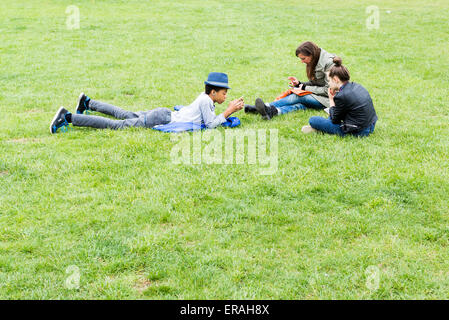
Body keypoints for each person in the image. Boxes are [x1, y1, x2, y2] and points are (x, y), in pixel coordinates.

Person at [50, 72, 244, 134]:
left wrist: (226, 110)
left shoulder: (205, 99)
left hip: (163, 114)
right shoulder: (206, 102)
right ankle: (67, 117)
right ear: (213, 92)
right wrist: (228, 111)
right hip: (163, 118)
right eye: (224, 93)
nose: (225, 97)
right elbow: (210, 125)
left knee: (123, 114)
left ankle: (88, 103)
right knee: (117, 125)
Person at [246, 41, 338, 120]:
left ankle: (264, 107)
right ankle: (273, 111)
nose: (302, 61)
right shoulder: (315, 59)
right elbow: (317, 83)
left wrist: (305, 88)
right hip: (321, 96)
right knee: (300, 105)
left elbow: (329, 91)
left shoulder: (329, 64)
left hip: (331, 100)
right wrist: (299, 84)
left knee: (299, 97)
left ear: (311, 54)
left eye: (303, 58)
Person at [301, 58, 378, 137]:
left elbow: (334, 120)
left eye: (329, 80)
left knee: (313, 120)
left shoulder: (341, 96)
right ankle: (322, 129)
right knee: (331, 116)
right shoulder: (357, 86)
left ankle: (321, 129)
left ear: (335, 79)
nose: (329, 84)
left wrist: (331, 99)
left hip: (359, 132)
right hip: (371, 126)